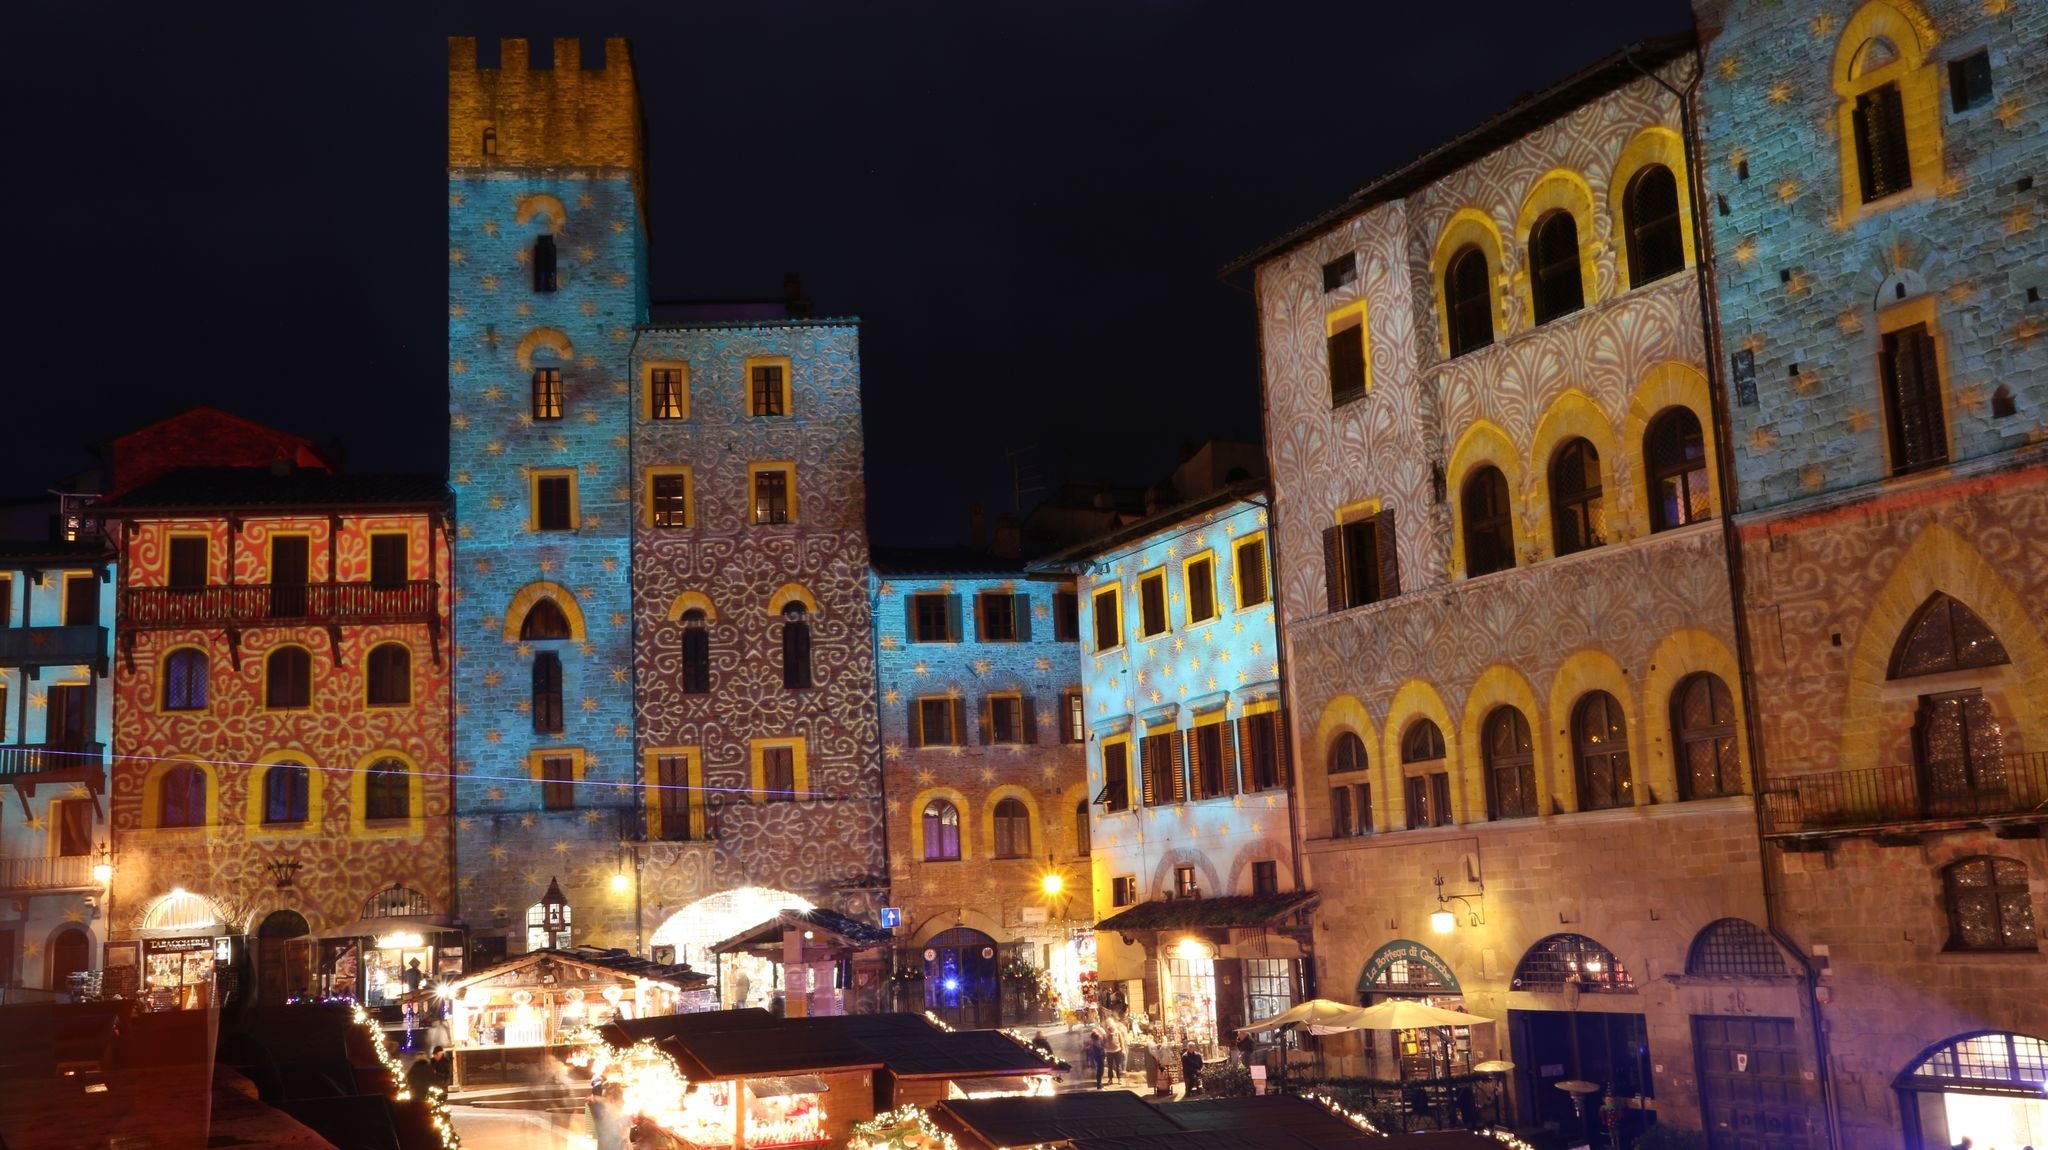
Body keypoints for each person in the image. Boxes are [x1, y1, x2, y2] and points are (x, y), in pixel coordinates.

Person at [1102, 1013, 1127, 1085]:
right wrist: (1104, 1050)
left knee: (1118, 1065)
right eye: (1108, 1025)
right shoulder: (1106, 1033)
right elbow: (1104, 1042)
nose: (1110, 1027)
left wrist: (1123, 1050)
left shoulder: (1117, 1032)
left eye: (1111, 1025)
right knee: (1110, 1067)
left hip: (1118, 1051)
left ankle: (1120, 1078)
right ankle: (1110, 1079)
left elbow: (1121, 1041)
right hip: (1109, 1052)